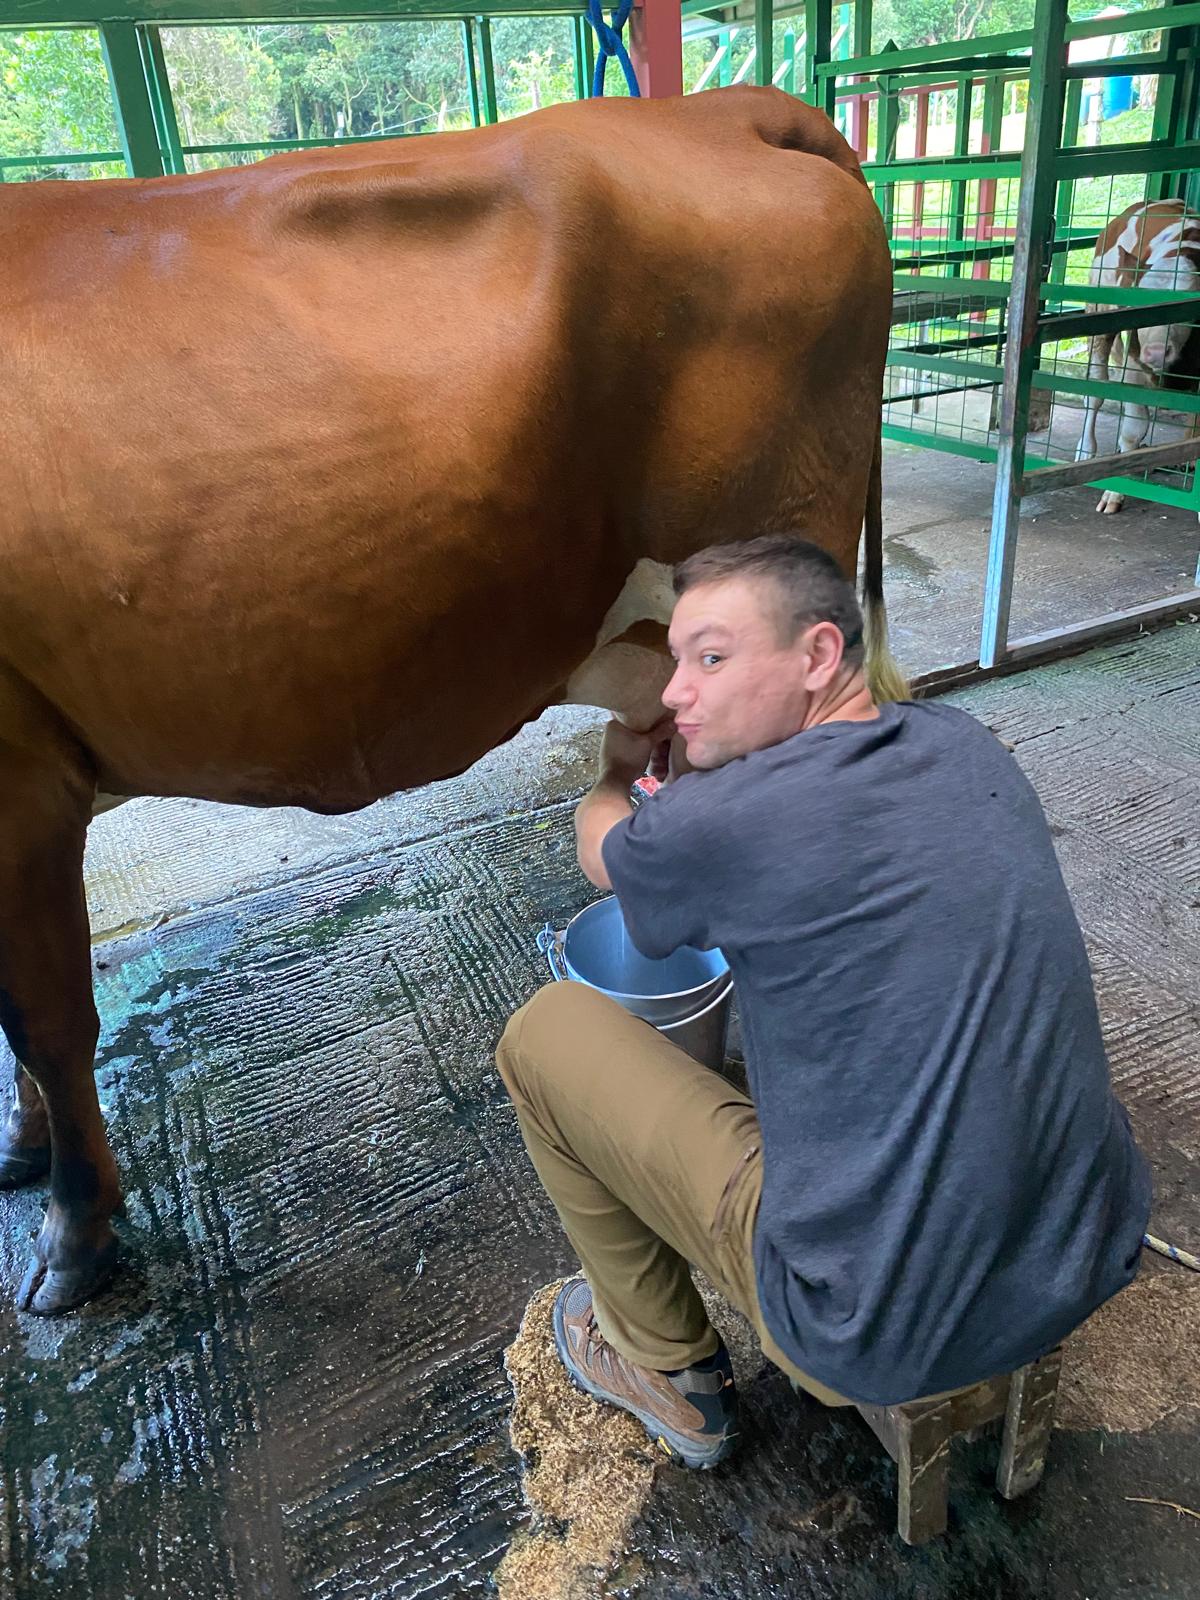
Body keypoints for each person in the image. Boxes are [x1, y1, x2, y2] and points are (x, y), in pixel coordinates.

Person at [496, 535, 1151, 1470]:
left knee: (542, 1033)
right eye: (677, 662)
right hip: (1091, 1242)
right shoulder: (962, 740)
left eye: (710, 659)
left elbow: (603, 846)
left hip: (871, 1328)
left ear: (817, 655)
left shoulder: (722, 823)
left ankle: (666, 1369)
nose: (674, 692)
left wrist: (612, 774)